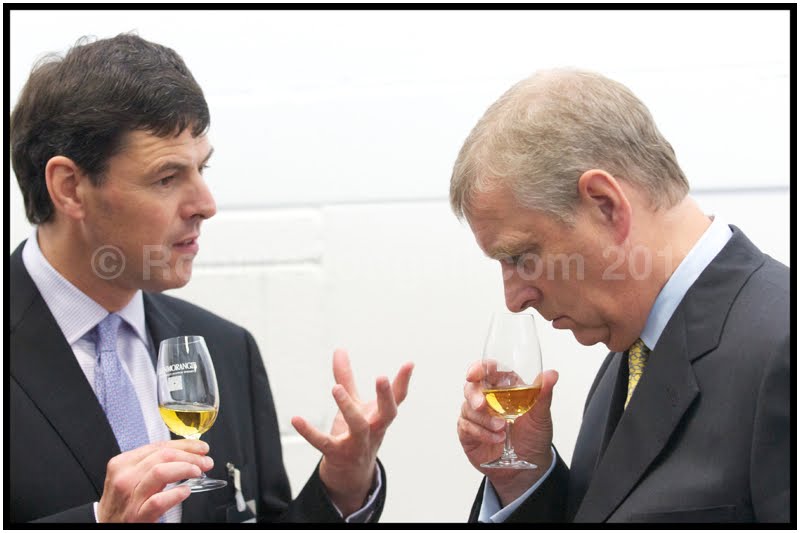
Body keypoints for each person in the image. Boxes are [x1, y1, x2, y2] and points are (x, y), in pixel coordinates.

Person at [9, 33, 413, 524]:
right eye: (166, 178)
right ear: (70, 187)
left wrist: (342, 488)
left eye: (202, 168)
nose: (205, 204)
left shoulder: (227, 350)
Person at [450, 68, 789, 523]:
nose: (515, 299)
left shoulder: (783, 347)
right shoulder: (630, 356)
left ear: (605, 204)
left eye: (522, 257)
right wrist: (523, 481)